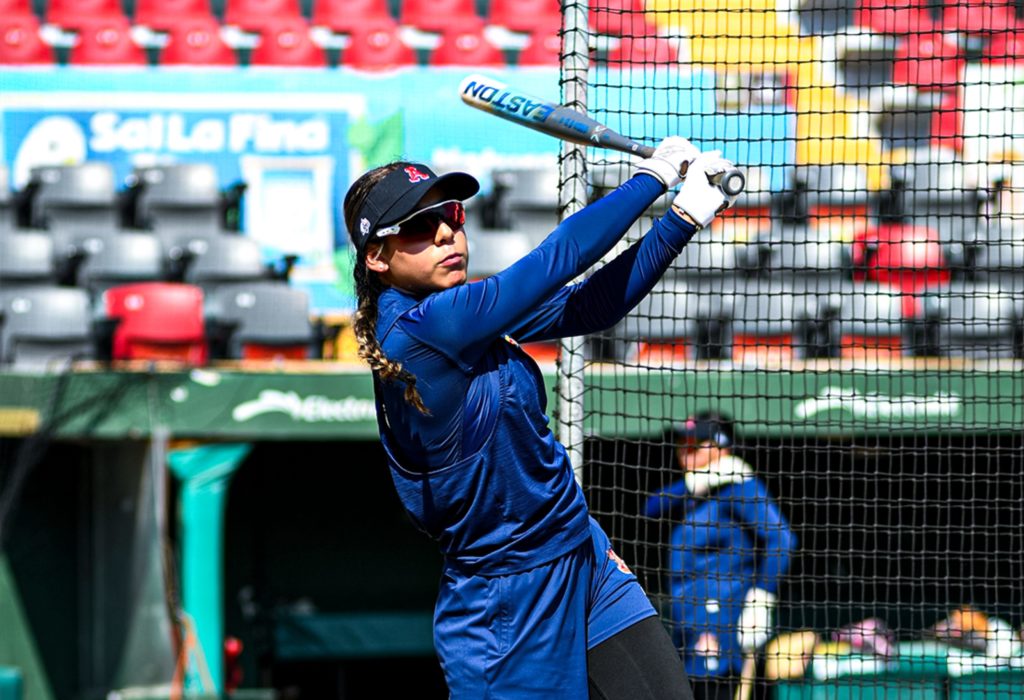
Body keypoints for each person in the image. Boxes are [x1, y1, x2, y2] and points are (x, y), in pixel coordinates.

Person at [343, 140, 737, 699]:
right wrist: (653, 177)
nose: (446, 233)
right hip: (507, 604)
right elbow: (559, 258)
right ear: (377, 258)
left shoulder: (462, 313)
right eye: (419, 226)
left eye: (450, 215)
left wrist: (682, 218)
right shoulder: (421, 332)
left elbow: (590, 305)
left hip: (582, 557)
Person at [644, 411, 797, 700]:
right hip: (688, 620)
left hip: (724, 620)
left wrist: (761, 599)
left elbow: (782, 539)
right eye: (682, 443)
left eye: (695, 444)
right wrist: (697, 482)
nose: (684, 451)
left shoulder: (741, 486)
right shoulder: (694, 490)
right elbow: (650, 508)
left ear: (721, 446)